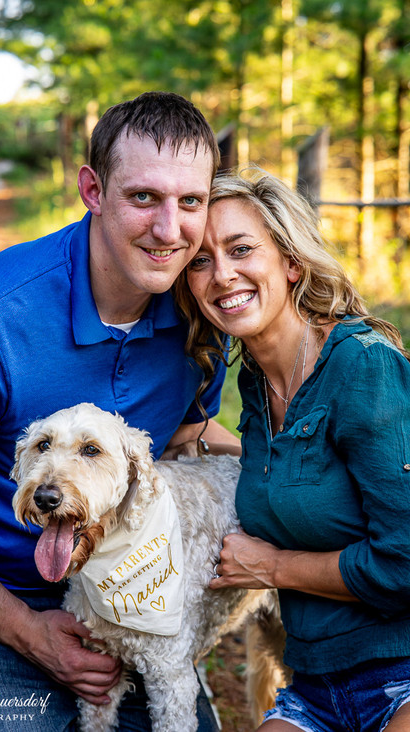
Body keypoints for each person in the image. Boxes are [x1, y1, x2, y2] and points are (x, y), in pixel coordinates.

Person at [0, 92, 239, 732]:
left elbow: (186, 429)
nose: (170, 230)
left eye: (191, 202)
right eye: (143, 197)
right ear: (92, 189)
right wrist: (27, 632)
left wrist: (304, 471)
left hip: (127, 589)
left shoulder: (201, 313)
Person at [175, 169, 410, 732]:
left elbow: (404, 562)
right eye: (200, 261)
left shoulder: (362, 367)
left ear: (291, 262)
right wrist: (199, 436)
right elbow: (294, 472)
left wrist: (273, 567)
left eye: (241, 249)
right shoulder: (256, 379)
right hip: (314, 690)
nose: (222, 274)